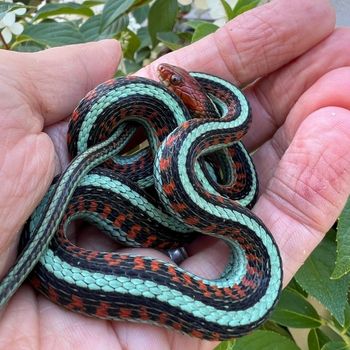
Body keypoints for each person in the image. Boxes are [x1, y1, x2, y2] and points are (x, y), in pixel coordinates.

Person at [0, 0, 349, 348]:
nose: (167, 76)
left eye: (174, 83)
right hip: (68, 230)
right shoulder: (188, 135)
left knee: (182, 181)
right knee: (120, 180)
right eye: (170, 81)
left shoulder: (198, 153)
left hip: (164, 198)